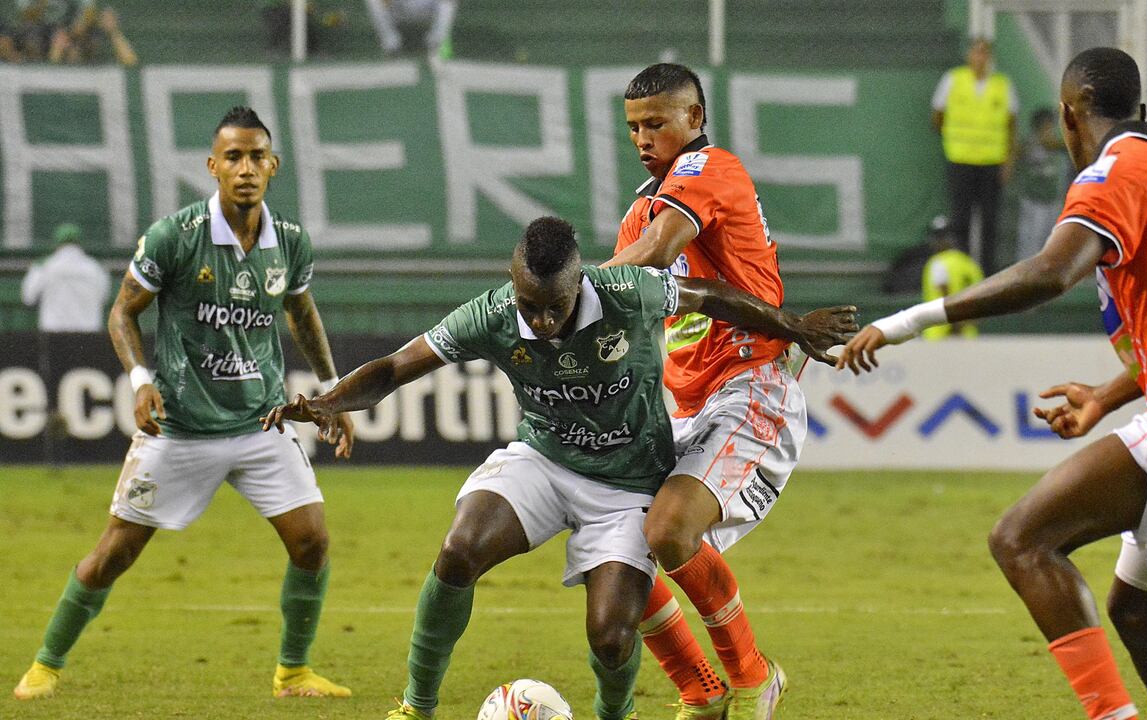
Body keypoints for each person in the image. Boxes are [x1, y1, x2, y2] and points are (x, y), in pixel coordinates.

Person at [262, 216, 857, 720]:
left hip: (629, 484)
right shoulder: (491, 315)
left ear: (580, 282)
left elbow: (714, 296)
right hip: (543, 461)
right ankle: (415, 706)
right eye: (529, 306)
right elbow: (396, 368)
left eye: (554, 307)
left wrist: (793, 327)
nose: (541, 322)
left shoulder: (630, 292)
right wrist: (326, 402)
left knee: (611, 634)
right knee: (459, 548)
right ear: (512, 284)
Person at [840, 47, 1147, 720]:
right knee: (1139, 613)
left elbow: (1048, 274)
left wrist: (905, 322)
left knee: (1021, 539)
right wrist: (1105, 397)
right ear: (1139, 110)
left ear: (1071, 116)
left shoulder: (1115, 175)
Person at [12, 106, 356, 702]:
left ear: (273, 166)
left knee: (312, 540)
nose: (245, 168)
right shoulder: (175, 237)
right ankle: (46, 662)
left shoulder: (291, 243)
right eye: (233, 157)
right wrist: (140, 378)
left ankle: (292, 673)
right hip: (181, 428)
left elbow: (300, 312)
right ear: (213, 167)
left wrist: (334, 391)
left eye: (256, 157)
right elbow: (122, 311)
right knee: (115, 553)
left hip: (261, 421)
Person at [605, 62, 808, 720]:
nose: (643, 138)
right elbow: (628, 312)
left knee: (667, 529)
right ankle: (700, 694)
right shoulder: (642, 209)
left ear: (694, 120)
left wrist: (561, 287)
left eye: (657, 123)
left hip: (751, 387)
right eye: (634, 126)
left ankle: (753, 680)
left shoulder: (708, 168)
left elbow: (656, 256)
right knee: (613, 553)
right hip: (685, 407)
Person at [932, 37, 1019, 275]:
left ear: (990, 57)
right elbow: (937, 117)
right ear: (969, 55)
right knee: (961, 219)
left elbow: (1012, 126)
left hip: (992, 162)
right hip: (960, 159)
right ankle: (963, 271)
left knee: (990, 221)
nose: (980, 58)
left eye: (985, 53)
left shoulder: (1002, 85)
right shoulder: (953, 80)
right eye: (976, 52)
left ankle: (988, 274)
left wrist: (1008, 162)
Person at [21, 223, 110, 332]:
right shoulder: (96, 268)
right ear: (79, 243)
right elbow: (104, 298)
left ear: (57, 243)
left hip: (53, 333)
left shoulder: (43, 266)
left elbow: (28, 297)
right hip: (88, 333)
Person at [1015, 107, 1071, 261]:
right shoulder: (1030, 144)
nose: (1050, 128)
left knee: (1050, 241)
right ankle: (1025, 278)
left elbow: (1060, 144)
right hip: (1032, 200)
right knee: (1030, 242)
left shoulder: (1058, 145)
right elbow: (1018, 152)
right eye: (1047, 125)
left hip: (1053, 201)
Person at [919, 215, 982, 340]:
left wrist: (955, 327)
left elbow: (945, 297)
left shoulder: (937, 262)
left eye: (940, 238)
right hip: (969, 336)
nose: (937, 242)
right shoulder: (969, 263)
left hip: (941, 335)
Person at [364, 0, 456, 62]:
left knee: (448, 2)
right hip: (399, 9)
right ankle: (392, 47)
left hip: (427, 9)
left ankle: (434, 46)